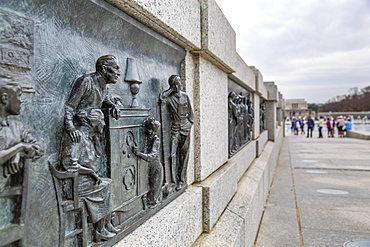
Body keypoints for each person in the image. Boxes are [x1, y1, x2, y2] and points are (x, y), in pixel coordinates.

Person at [60, 109, 117, 241]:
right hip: (75, 184)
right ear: (94, 122)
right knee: (106, 186)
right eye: (102, 121)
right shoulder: (78, 137)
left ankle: (106, 225)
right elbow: (70, 164)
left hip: (85, 181)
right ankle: (99, 230)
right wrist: (91, 172)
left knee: (107, 182)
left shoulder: (90, 138)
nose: (104, 124)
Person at [64, 55, 121, 144]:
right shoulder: (86, 81)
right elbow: (69, 107)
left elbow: (105, 99)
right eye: (115, 68)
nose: (118, 73)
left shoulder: (105, 87)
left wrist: (114, 105)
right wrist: (71, 129)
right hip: (78, 132)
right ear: (103, 69)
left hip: (92, 131)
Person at [0, 79, 44, 191]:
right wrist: (19, 147)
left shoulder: (17, 127)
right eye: (19, 96)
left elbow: (39, 148)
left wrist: (18, 154)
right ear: (5, 98)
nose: (22, 101)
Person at [160, 75, 193, 191]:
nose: (180, 85)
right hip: (175, 128)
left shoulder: (185, 96)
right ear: (173, 85)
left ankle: (181, 180)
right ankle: (173, 181)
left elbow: (191, 113)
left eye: (180, 82)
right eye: (177, 83)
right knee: (172, 155)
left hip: (186, 127)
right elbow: (162, 98)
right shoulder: (169, 98)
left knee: (184, 155)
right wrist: (171, 90)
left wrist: (190, 124)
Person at [132, 118, 164, 207]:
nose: (150, 131)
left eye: (152, 130)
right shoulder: (145, 138)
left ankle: (154, 202)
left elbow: (152, 157)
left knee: (154, 192)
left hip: (155, 168)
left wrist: (138, 153)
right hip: (146, 168)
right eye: (149, 129)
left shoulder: (156, 140)